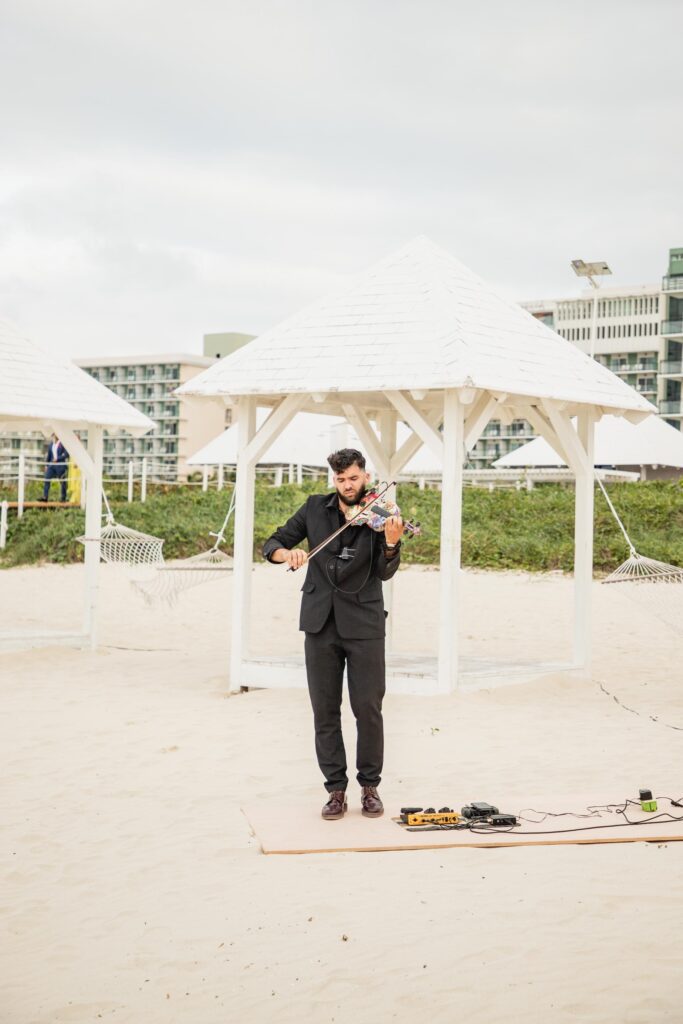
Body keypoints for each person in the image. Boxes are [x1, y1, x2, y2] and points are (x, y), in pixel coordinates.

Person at [263, 448, 405, 821]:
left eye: (353, 478)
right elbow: (272, 543)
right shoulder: (314, 508)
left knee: (367, 709)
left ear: (365, 477)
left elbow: (385, 572)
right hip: (320, 623)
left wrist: (391, 543)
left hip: (364, 624)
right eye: (341, 480)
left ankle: (370, 786)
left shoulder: (380, 514)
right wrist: (287, 556)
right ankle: (336, 791)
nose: (347, 485)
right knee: (325, 711)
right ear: (334, 480)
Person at [41, 434, 69, 503]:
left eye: (55, 434)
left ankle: (63, 498)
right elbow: (49, 456)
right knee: (47, 478)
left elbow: (66, 454)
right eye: (53, 435)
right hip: (51, 465)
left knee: (62, 482)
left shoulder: (62, 443)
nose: (53, 436)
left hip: (60, 465)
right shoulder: (51, 444)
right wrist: (46, 465)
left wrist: (57, 459)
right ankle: (45, 497)